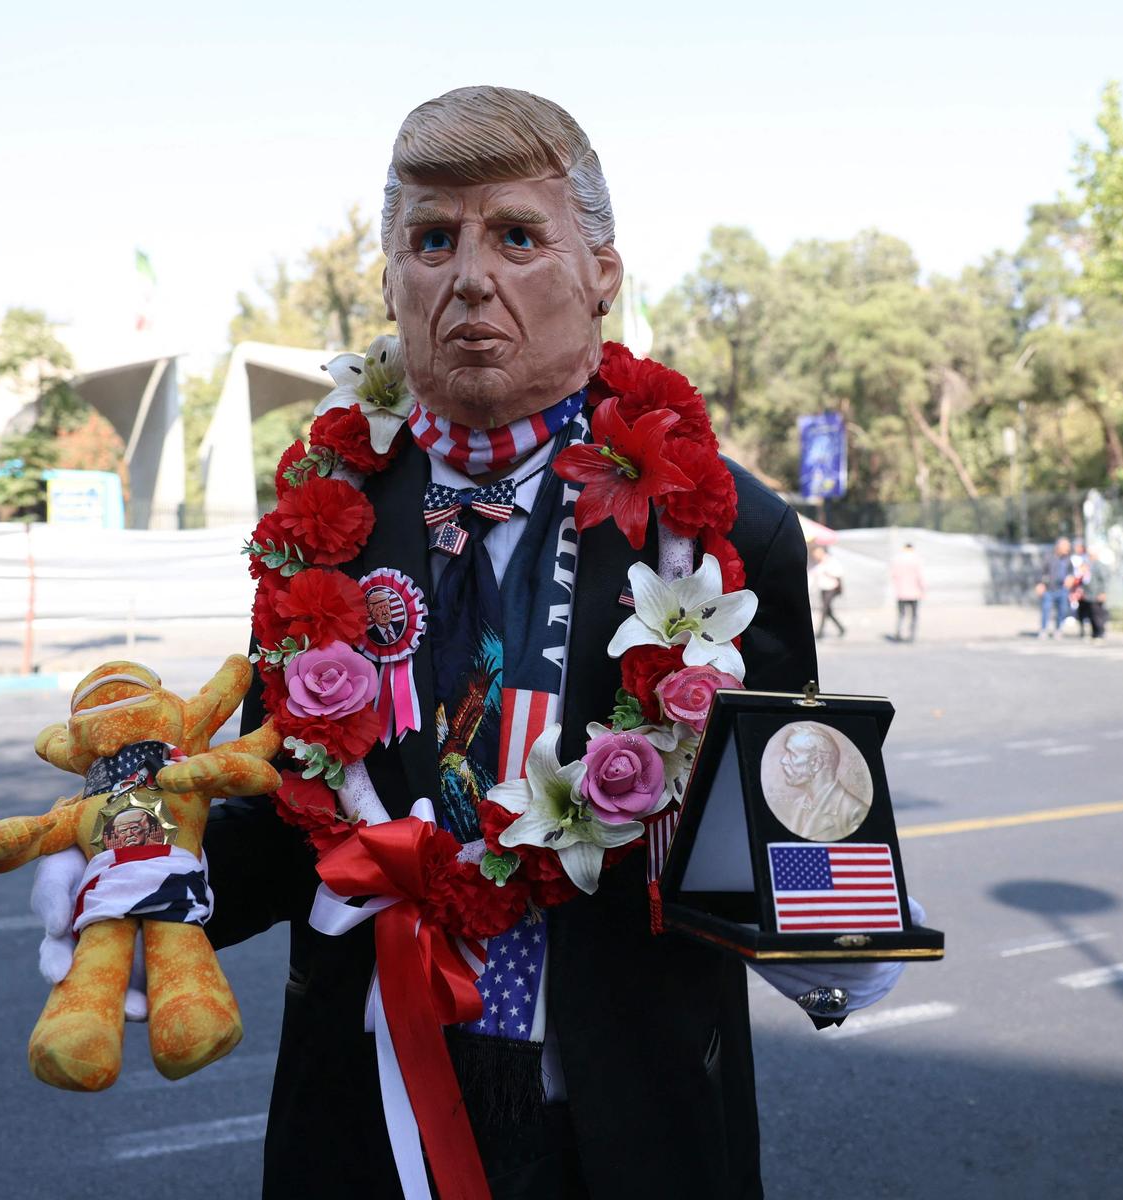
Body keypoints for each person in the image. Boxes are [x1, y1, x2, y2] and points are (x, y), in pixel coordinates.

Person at [199, 87, 906, 1200]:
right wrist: (144, 865)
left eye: (517, 235)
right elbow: (280, 818)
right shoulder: (315, 530)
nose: (471, 276)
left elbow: (785, 812)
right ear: (390, 280)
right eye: (433, 239)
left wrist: (829, 914)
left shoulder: (724, 530)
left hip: (629, 1130)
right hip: (367, 1131)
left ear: (602, 274)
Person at [1036, 536, 1073, 638]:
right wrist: (1040, 584)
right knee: (1046, 608)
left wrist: (1070, 578)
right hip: (1049, 588)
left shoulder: (1068, 559)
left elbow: (1071, 572)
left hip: (1062, 589)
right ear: (1058, 547)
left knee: (1063, 609)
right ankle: (1043, 629)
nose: (1068, 549)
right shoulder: (1049, 557)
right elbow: (1041, 572)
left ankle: (1058, 629)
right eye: (1066, 546)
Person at [889, 542, 926, 642]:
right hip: (914, 592)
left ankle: (899, 633)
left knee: (901, 614)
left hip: (901, 592)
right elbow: (920, 576)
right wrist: (923, 589)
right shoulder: (916, 559)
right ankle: (912, 635)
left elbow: (893, 575)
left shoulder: (897, 559)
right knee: (913, 615)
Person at [1071, 540, 1106, 639]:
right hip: (1086, 593)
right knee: (1086, 614)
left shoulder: (1099, 565)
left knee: (1097, 614)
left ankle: (1099, 633)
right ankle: (1089, 632)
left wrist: (1102, 592)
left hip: (1095, 593)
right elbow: (1081, 577)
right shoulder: (1086, 564)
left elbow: (1103, 580)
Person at [809, 544, 845, 639]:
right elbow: (813, 575)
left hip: (832, 588)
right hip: (823, 588)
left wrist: (826, 569)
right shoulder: (817, 563)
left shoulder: (830, 561)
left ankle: (820, 632)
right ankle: (841, 628)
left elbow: (838, 573)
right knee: (828, 611)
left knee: (824, 609)